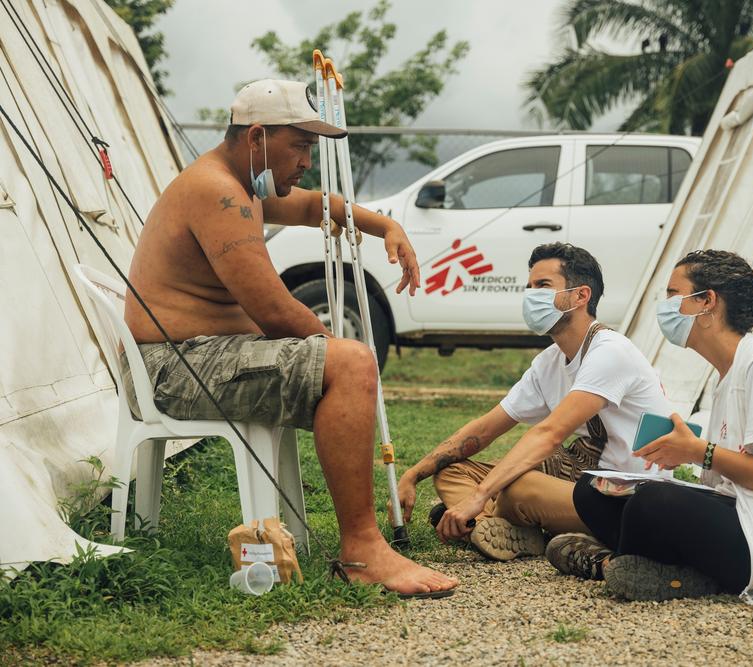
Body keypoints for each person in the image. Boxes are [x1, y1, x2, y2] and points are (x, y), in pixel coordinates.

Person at [121, 79, 456, 598]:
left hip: (192, 358)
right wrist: (337, 359)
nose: (306, 162)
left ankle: (361, 541)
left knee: (345, 362)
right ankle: (362, 549)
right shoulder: (219, 191)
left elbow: (310, 206)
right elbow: (274, 310)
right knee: (349, 363)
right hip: (173, 368)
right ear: (257, 137)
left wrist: (386, 225)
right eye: (299, 146)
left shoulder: (244, 185)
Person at [563, 249, 753, 602]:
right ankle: (651, 568)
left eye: (673, 294)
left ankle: (624, 564)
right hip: (744, 514)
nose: (665, 305)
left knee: (654, 502)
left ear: (706, 302)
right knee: (593, 490)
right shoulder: (730, 374)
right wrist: (686, 454)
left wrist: (700, 452)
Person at [396, 243, 674, 563]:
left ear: (581, 296)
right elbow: (485, 428)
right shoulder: (549, 362)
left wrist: (479, 496)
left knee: (519, 489)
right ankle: (498, 529)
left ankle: (495, 521)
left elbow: (549, 434)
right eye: (529, 287)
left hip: (630, 497)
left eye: (543, 286)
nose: (531, 295)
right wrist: (413, 474)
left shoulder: (610, 351)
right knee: (450, 472)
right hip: (582, 481)